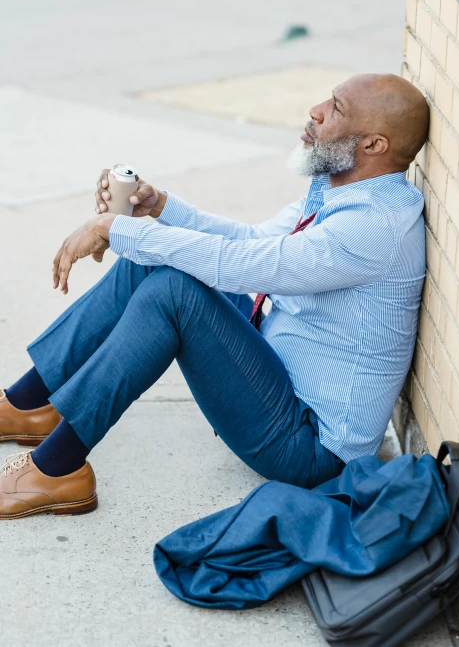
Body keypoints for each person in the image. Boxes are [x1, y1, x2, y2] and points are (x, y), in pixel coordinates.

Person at [0, 73, 430, 520]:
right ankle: (28, 405)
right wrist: (162, 207)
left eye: (336, 108)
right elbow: (254, 242)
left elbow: (242, 265)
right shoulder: (342, 190)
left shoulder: (372, 227)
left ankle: (56, 470)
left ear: (374, 145)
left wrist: (115, 228)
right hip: (277, 368)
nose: (316, 110)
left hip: (309, 445)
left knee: (174, 292)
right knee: (147, 263)